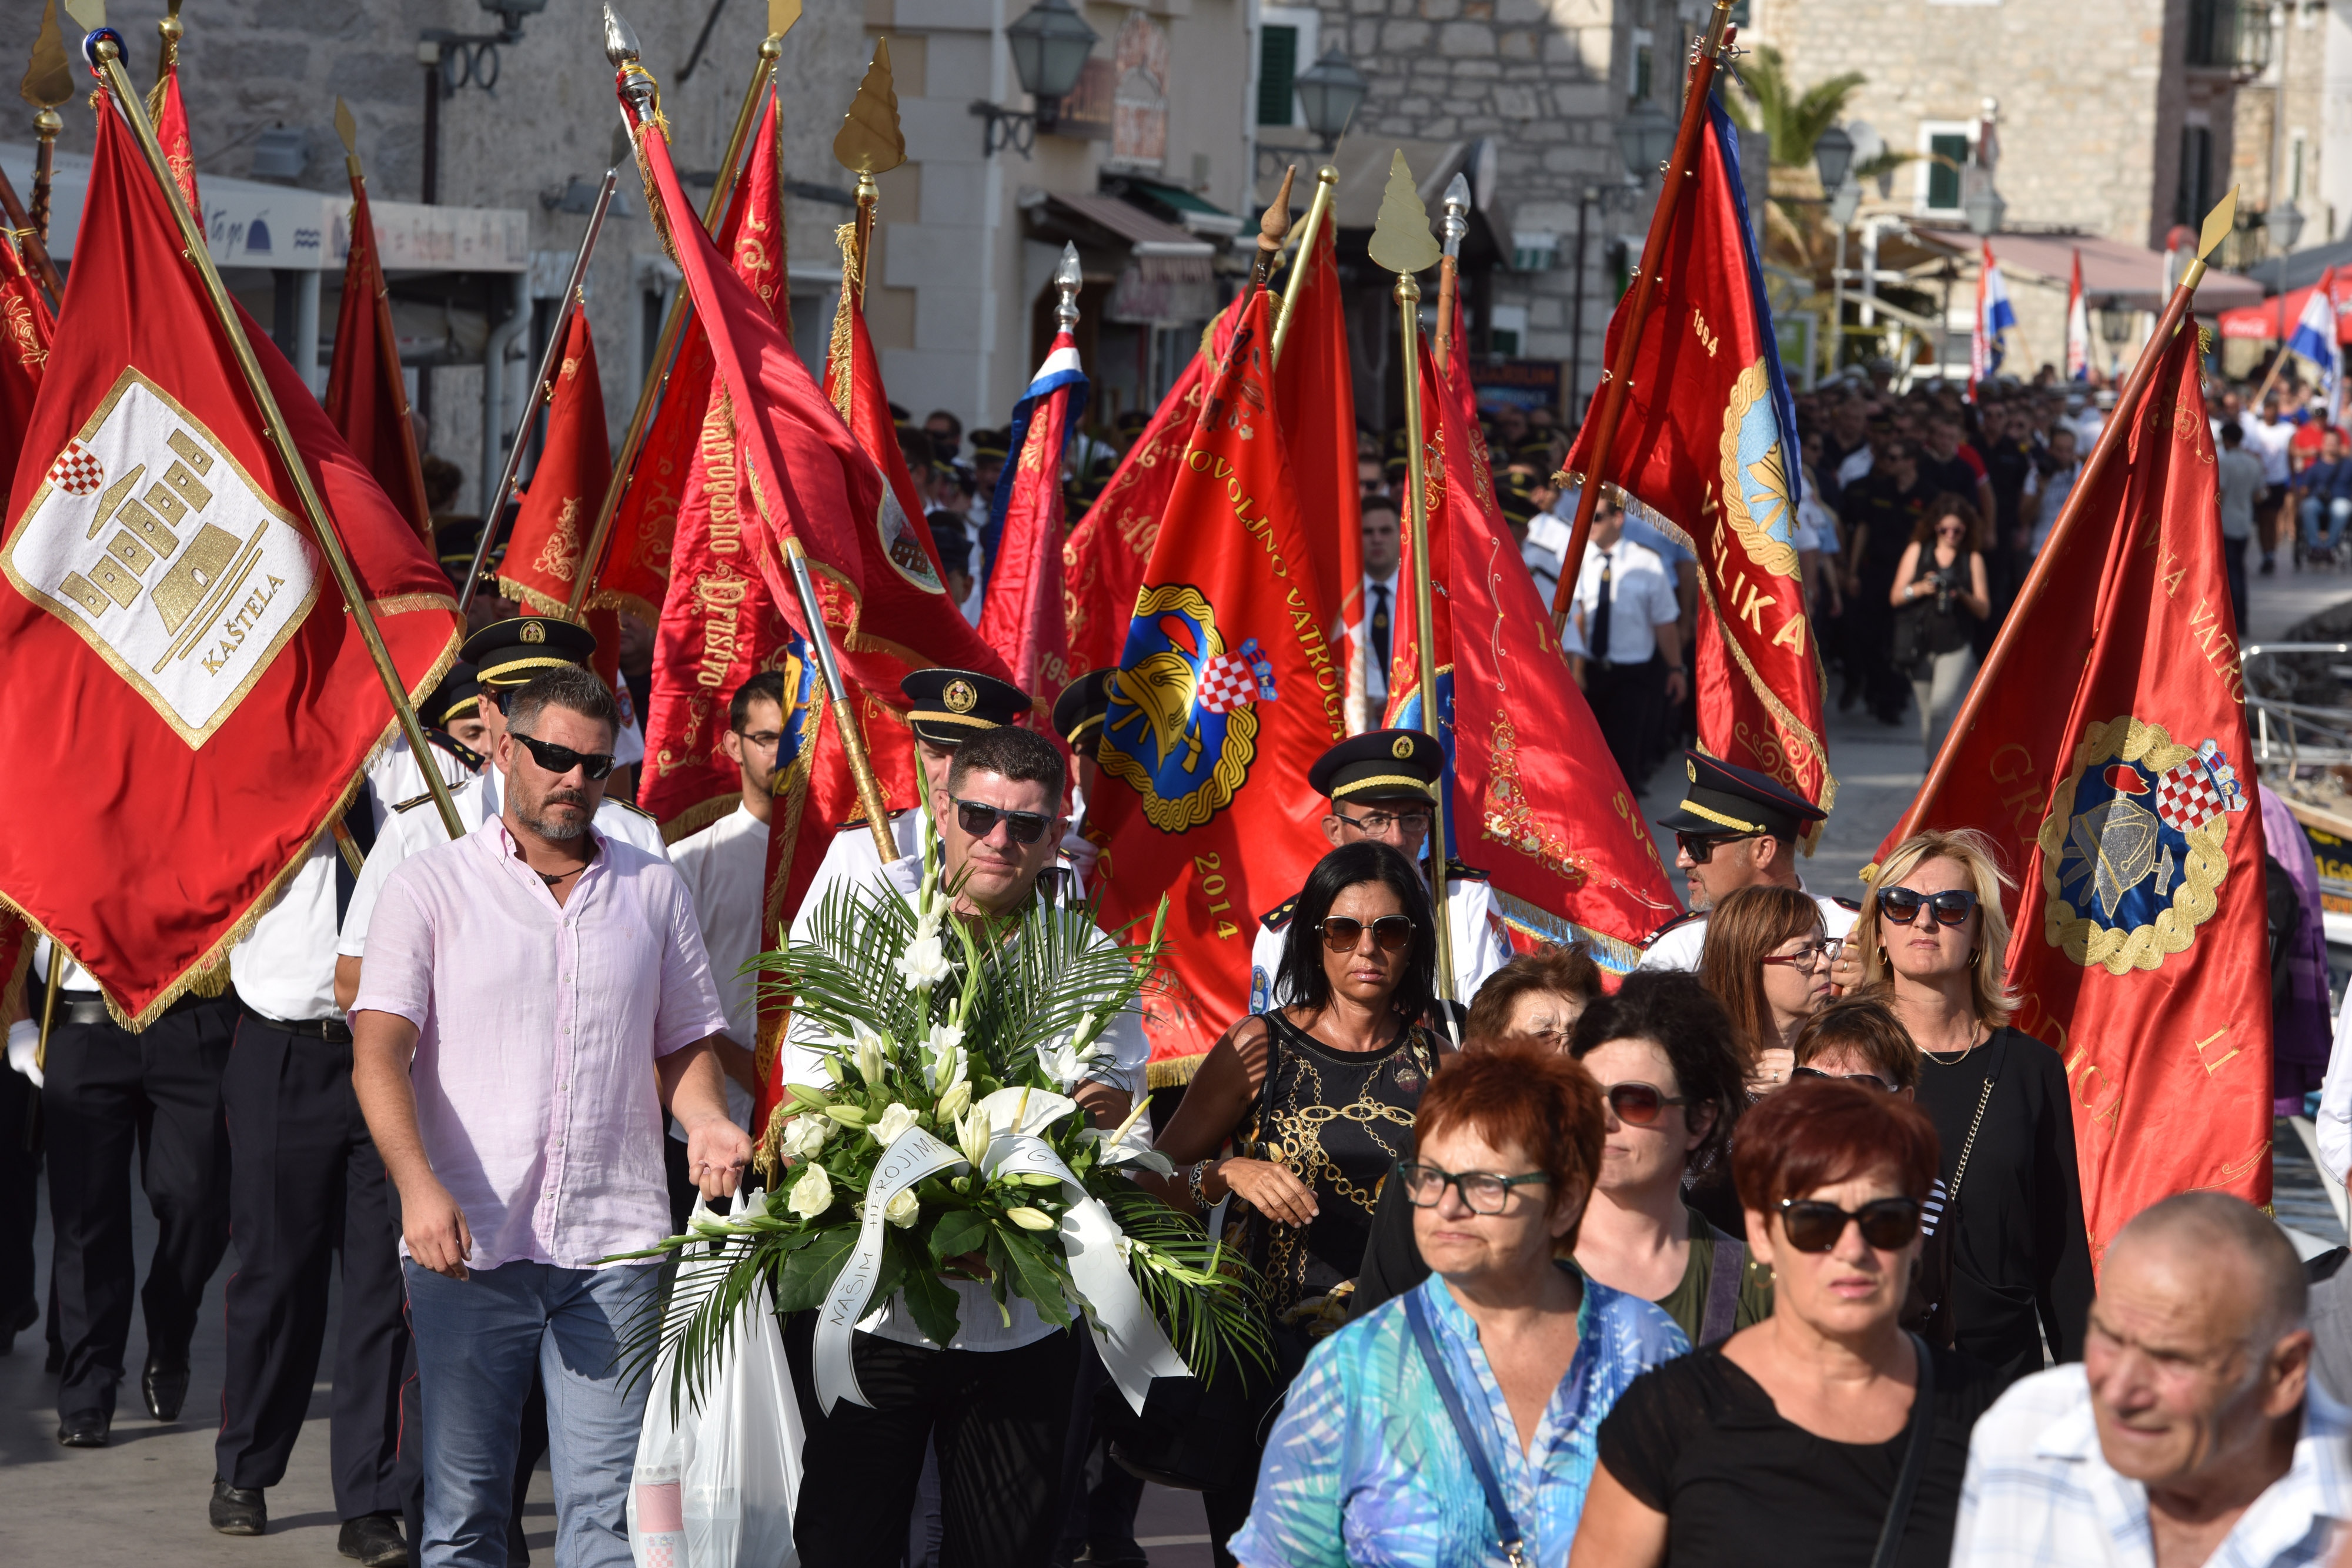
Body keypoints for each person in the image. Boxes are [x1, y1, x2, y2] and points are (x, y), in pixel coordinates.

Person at [350, 666, 749, 1568]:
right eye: (554, 755)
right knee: (462, 1521)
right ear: (501, 744)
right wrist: (418, 1187)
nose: (574, 779)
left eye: (596, 765)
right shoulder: (429, 886)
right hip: (469, 1248)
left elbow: (683, 1041)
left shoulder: (653, 888)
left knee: (607, 1523)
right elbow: (378, 1053)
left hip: (615, 1248)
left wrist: (711, 1121)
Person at [778, 724, 1150, 1568]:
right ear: (943, 807)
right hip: (877, 1305)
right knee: (844, 1542)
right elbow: (813, 1093)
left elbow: (1125, 1141)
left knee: (1003, 1553)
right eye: (981, 814)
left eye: (1026, 824)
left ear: (1059, 832)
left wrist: (1105, 1116)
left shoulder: (1087, 958)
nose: (999, 839)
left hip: (1020, 1321)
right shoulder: (866, 911)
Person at [1230, 1041, 1688, 1567]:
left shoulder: (1646, 1349)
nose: (1447, 1207)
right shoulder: (1355, 1369)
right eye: (1430, 1176)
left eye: (1484, 1185)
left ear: (1564, 1200)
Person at [1153, 840, 1451, 1566]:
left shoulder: (1442, 1060)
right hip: (1266, 1367)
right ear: (1315, 938)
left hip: (1397, 1368)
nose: (1368, 949)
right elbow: (1150, 1184)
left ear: (1414, 943)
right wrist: (1227, 1176)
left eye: (1391, 930)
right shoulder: (1261, 1046)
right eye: (1344, 930)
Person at [1569, 1078, 2004, 1568]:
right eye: (1816, 1223)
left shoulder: (1994, 1420)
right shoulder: (1667, 1417)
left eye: (1885, 1221)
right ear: (1761, 1233)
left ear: (1915, 1236)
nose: (1853, 1250)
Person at [1951, 1193, 2347, 1568]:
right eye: (2108, 1337)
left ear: (2284, 1373)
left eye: (2171, 1358)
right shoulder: (2023, 1433)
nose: (2119, 1391)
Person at [332, 617, 670, 1011]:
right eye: (515, 701)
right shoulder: (419, 829)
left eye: (549, 700)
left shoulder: (633, 835)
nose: (533, 720)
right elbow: (349, 985)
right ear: (484, 708)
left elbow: (671, 995)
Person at [1857, 828, 2094, 1386]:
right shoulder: (1846, 1057)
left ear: (1980, 933)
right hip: (1880, 1367)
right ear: (1879, 932)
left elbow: (2061, 1252)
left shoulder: (2033, 1068)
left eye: (1950, 906)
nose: (1924, 921)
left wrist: (2089, 1395)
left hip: (2004, 1377)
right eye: (1902, 904)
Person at [1351, 945, 1612, 1318]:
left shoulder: (1625, 1152)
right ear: (1479, 1058)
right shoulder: (1426, 1159)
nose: (1569, 1056)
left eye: (1582, 1036)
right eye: (1543, 1038)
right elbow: (1385, 1316)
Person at [1248, 729, 1514, 1017]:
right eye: (1376, 820)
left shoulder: (1462, 897)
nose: (1397, 838)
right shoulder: (1286, 930)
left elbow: (1494, 1021)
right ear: (1334, 831)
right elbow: (1275, 1044)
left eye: (1412, 818)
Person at [663, 671, 789, 1226]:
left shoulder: (838, 856)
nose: (783, 754)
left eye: (795, 739)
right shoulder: (691, 861)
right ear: (734, 744)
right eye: (767, 738)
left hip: (803, 1120)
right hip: (705, 1124)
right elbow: (667, 998)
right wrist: (750, 1069)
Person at [789, 667, 1031, 931]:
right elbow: (804, 962)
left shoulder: (1035, 856)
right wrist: (866, 924)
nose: (949, 775)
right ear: (916, 751)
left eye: (966, 760)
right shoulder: (859, 849)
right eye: (935, 755)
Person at [1638, 751, 1851, 974]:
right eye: (1681, 841)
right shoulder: (1675, 953)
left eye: (1697, 845)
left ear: (1763, 851)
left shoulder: (1851, 935)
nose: (1681, 860)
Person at [1563, 493, 1687, 788]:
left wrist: (1675, 669)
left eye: (1596, 517)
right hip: (1586, 672)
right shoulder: (1575, 560)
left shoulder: (1647, 563)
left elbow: (1664, 623)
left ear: (1618, 519)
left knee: (1623, 759)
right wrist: (1574, 670)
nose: (1589, 525)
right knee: (1584, 759)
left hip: (1632, 676)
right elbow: (1574, 617)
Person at [1696, 884, 1834, 1091]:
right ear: (1748, 966)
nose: (1825, 964)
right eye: (1804, 953)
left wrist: (1813, 1083)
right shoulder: (1699, 1066)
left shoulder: (1854, 1042)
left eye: (1822, 946)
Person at [1887, 494, 1992, 765]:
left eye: (1958, 530)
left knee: (1940, 709)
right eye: (1945, 529)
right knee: (1927, 715)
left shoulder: (1972, 558)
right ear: (1935, 527)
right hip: (1919, 644)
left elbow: (1984, 609)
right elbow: (1896, 596)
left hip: (1955, 644)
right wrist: (1921, 588)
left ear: (1966, 530)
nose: (1951, 535)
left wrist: (1961, 593)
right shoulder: (1918, 551)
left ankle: (1933, 777)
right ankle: (1933, 771)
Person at [2216, 421, 2264, 634]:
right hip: (2244, 523)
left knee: (2230, 573)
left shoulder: (2225, 463)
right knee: (2239, 571)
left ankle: (2233, 621)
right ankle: (2242, 620)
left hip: (2226, 523)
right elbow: (2259, 495)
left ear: (2227, 440)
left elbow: (2221, 493)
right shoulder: (2253, 462)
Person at [1359, 495, 1402, 713]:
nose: (1376, 539)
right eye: (1368, 532)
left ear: (1401, 535)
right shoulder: (1342, 602)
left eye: (1385, 531)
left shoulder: (1420, 598)